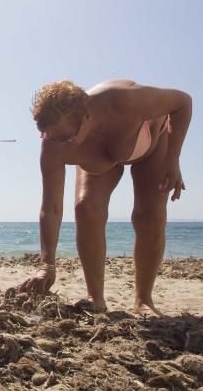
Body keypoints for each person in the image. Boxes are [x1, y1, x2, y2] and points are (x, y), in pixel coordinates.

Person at [17, 79, 192, 313]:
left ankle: (144, 301)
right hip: (101, 162)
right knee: (86, 208)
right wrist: (46, 264)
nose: (58, 144)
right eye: (49, 136)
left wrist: (173, 158)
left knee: (149, 216)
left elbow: (183, 102)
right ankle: (95, 298)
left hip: (152, 144)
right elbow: (51, 207)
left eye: (66, 138)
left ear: (86, 117)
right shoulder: (53, 144)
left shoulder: (123, 99)